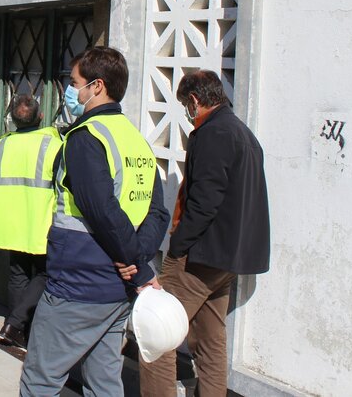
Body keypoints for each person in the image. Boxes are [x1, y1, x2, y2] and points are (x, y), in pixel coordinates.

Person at [19, 46, 169, 397]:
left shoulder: (86, 138)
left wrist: (136, 265)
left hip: (80, 283)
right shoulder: (134, 139)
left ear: (97, 86)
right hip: (117, 288)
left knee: (40, 380)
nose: (69, 91)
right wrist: (138, 261)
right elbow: (156, 211)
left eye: (74, 83)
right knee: (103, 381)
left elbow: (101, 210)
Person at [137, 70, 270, 397]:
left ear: (195, 100)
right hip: (227, 257)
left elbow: (204, 202)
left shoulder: (213, 133)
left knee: (158, 335)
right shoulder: (243, 133)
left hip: (199, 256)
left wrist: (178, 247)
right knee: (210, 339)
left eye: (186, 104)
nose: (187, 112)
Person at [0, 94, 61, 348]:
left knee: (18, 274)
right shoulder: (53, 145)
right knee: (45, 273)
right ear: (41, 116)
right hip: (41, 221)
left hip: (10, 221)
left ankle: (17, 329)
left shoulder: (1, 145)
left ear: (12, 119)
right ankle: (16, 323)